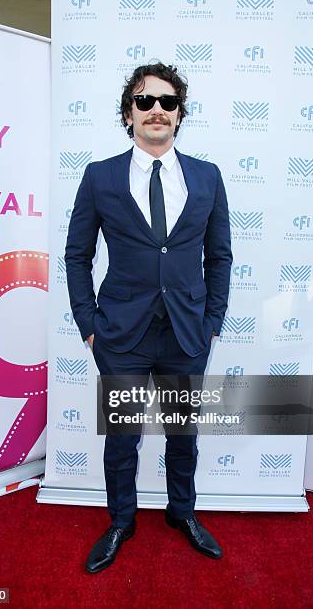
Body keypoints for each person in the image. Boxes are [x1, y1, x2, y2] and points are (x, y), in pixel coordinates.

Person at [65, 62, 232, 574]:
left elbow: (219, 256)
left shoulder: (208, 176)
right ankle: (120, 520)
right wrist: (90, 326)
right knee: (123, 437)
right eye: (144, 102)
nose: (156, 110)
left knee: (184, 434)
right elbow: (77, 255)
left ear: (179, 114)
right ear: (128, 114)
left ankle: (182, 513)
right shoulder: (100, 177)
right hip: (121, 334)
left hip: (187, 334)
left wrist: (212, 322)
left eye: (167, 102)